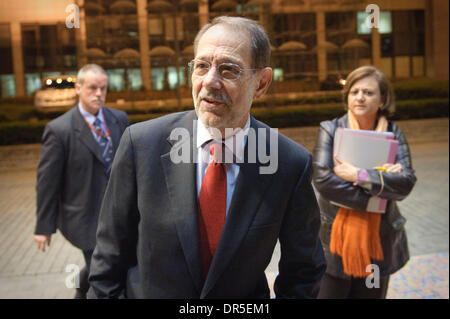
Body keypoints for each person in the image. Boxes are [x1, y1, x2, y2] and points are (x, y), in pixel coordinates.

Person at [87, 16, 326, 299]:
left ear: (261, 83)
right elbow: (108, 260)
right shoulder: (141, 145)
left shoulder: (289, 163)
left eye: (228, 69)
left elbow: (303, 271)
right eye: (201, 66)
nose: (210, 81)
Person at [312, 66, 417, 299]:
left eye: (368, 92)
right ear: (347, 97)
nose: (360, 97)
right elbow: (323, 179)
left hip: (379, 240)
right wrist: (381, 185)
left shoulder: (394, 133)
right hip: (334, 241)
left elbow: (406, 182)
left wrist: (359, 175)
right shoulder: (331, 130)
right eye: (354, 91)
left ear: (382, 99)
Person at [33, 64, 129, 299]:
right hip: (84, 217)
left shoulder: (119, 119)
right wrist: (43, 227)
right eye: (93, 88)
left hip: (118, 213)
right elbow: (47, 182)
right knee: (104, 267)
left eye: (103, 88)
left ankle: (81, 287)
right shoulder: (59, 130)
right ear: (78, 88)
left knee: (105, 264)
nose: (99, 94)